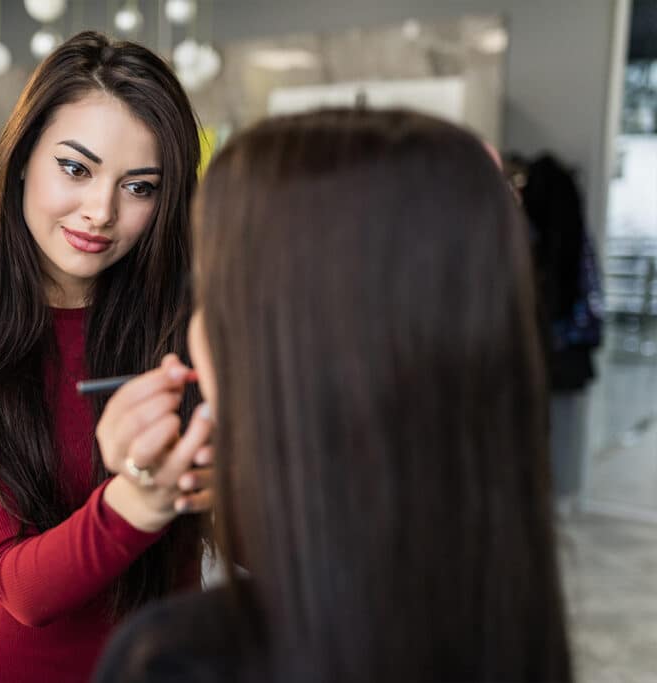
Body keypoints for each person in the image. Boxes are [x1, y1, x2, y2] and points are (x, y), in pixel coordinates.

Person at [95, 108, 572, 682]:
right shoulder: (511, 626)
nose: (196, 331)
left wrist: (144, 494)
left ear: (291, 351)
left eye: (213, 292)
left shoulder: (174, 662)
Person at [0, 31, 215, 683]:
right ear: (21, 161)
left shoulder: (193, 328)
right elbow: (23, 589)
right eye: (76, 168)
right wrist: (141, 495)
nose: (100, 212)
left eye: (140, 187)